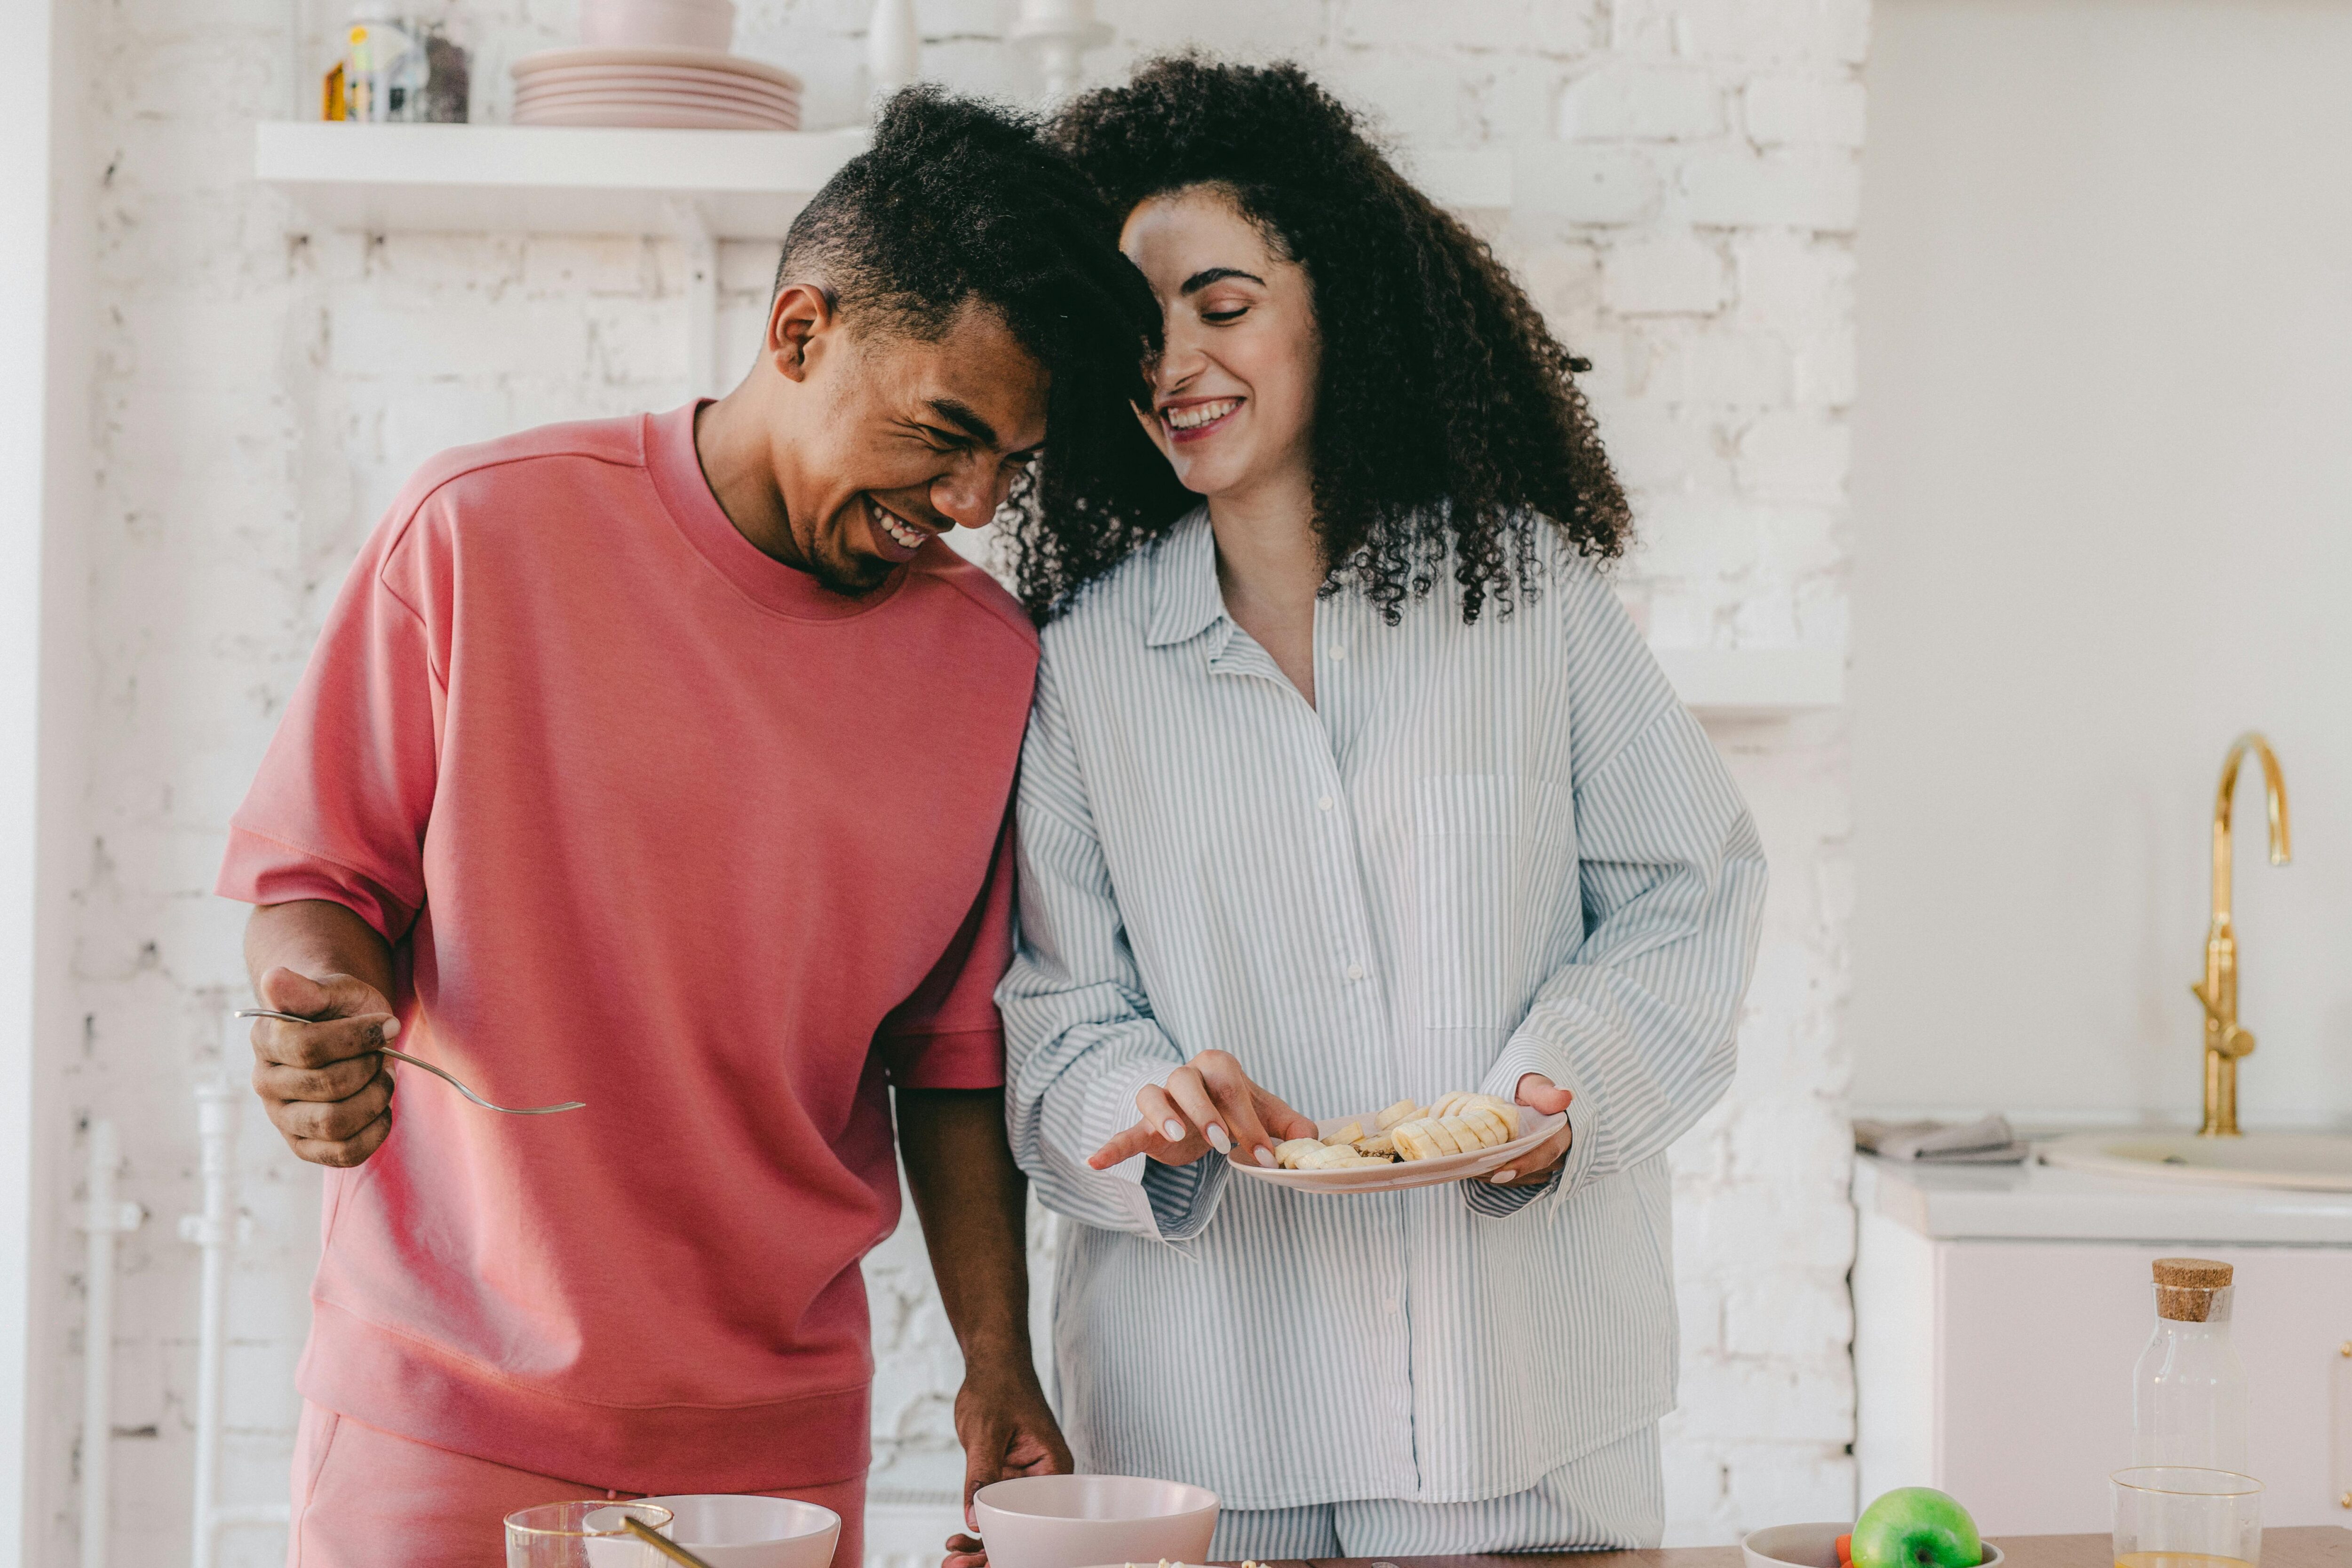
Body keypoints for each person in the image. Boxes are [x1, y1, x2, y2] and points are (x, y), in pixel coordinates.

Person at [217, 88, 1171, 1567]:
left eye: (1013, 466)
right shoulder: (480, 532)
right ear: (801, 331)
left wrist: (999, 1360)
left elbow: (952, 1053)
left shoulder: (987, 662)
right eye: (945, 434)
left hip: (770, 1453)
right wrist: (320, 1004)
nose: (975, 503)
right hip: (444, 1412)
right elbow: (314, 880)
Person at [990, 57, 1770, 1560]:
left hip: (1526, 1410)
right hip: (1211, 1432)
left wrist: (1560, 1095)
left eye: (1222, 306)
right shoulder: (1084, 671)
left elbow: (1693, 886)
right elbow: (1059, 1014)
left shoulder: (1527, 594)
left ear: (1333, 303)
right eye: (1140, 330)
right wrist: (1148, 1103)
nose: (1176, 364)